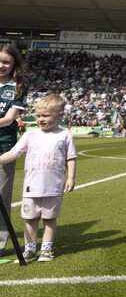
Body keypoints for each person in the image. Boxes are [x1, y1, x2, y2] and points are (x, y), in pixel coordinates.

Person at [0, 94, 76, 263]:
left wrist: (70, 177)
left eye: (46, 116)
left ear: (60, 116)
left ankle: (46, 249)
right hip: (31, 187)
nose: (41, 119)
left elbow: (70, 158)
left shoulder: (64, 135)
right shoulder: (30, 134)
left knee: (49, 219)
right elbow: (14, 153)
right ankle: (29, 249)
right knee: (30, 218)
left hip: (53, 186)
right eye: (39, 115)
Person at [0, 44, 27, 259]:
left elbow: (9, 119)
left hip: (4, 149)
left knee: (1, 196)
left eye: (6, 62)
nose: (1, 65)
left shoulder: (18, 86)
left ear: (14, 65)